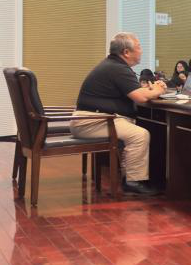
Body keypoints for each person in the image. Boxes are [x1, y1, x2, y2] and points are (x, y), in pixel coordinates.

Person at [70, 33, 165, 196]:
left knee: (138, 132)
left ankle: (133, 178)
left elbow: (133, 91)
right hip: (92, 121)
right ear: (126, 52)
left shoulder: (114, 65)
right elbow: (140, 98)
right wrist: (158, 89)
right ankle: (132, 182)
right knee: (140, 135)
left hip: (92, 119)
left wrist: (149, 90)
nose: (141, 50)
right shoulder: (118, 68)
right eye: (139, 47)